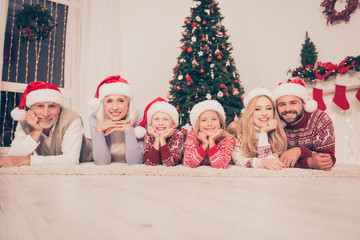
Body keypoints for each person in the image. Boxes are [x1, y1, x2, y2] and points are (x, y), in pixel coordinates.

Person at [0, 81, 92, 168]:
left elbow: (71, 160)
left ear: (59, 108)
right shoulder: (25, 121)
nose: (45, 114)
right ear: (30, 108)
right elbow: (13, 158)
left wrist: (28, 161)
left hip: (91, 155)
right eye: (39, 106)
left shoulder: (72, 119)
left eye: (52, 106)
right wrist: (35, 132)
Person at [273, 78, 336, 171]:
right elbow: (274, 161)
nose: (287, 109)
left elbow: (327, 161)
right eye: (282, 104)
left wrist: (300, 151)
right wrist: (309, 162)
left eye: (293, 103)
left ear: (304, 104)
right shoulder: (274, 123)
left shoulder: (321, 120)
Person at [88, 75, 144, 165]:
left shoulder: (140, 117)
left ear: (128, 104)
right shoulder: (95, 118)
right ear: (103, 105)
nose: (115, 107)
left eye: (121, 101)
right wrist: (99, 130)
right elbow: (101, 162)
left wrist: (130, 131)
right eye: (109, 101)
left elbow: (135, 162)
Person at [228, 88, 288, 170]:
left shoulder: (275, 131)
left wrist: (263, 133)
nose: (264, 113)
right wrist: (262, 162)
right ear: (250, 112)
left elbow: (270, 161)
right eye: (257, 109)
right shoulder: (238, 130)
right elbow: (239, 160)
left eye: (269, 108)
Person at [183, 100, 234, 169]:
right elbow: (188, 164)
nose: (209, 124)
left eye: (214, 119)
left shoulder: (227, 139)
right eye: (204, 120)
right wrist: (204, 144)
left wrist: (211, 141)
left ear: (220, 122)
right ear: (198, 124)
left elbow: (220, 166)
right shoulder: (193, 135)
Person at [136, 97, 184, 166]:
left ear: (173, 124)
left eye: (165, 119)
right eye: (156, 119)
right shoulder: (149, 134)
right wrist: (157, 139)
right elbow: (150, 163)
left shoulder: (177, 135)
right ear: (151, 123)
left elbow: (170, 164)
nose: (160, 123)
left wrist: (162, 139)